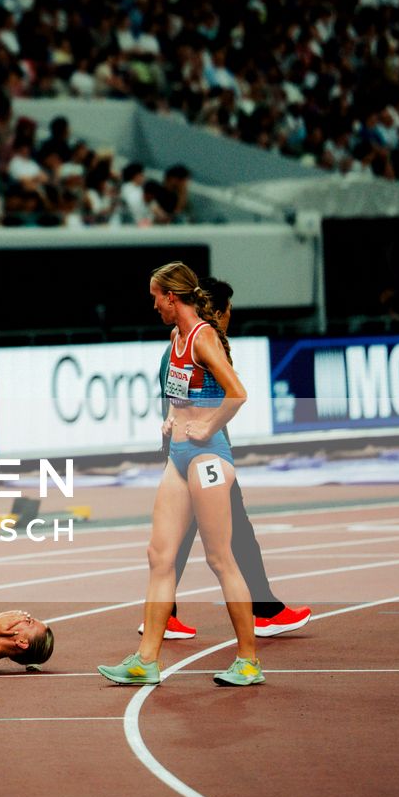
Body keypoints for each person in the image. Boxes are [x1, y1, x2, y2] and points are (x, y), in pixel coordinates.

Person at [99, 261, 263, 689]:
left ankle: (248, 659)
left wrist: (207, 427)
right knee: (159, 555)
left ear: (172, 297)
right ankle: (146, 660)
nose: (153, 305)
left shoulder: (203, 337)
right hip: (179, 456)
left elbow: (237, 393)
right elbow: (179, 394)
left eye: (156, 297)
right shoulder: (175, 338)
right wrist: (172, 418)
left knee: (219, 558)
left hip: (209, 459)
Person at [142, 278, 311, 645]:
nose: (154, 305)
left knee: (204, 544)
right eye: (229, 310)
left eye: (157, 297)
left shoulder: (192, 341)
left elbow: (194, 395)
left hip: (198, 454)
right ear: (217, 312)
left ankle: (247, 625)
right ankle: (260, 616)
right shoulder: (194, 341)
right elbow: (230, 395)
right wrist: (194, 427)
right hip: (196, 453)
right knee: (211, 550)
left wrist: (189, 428)